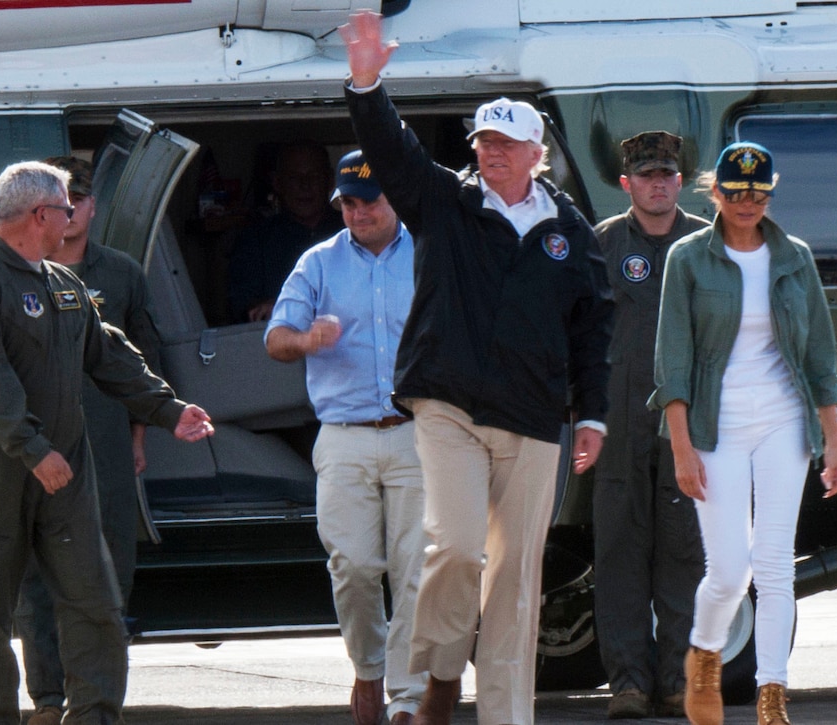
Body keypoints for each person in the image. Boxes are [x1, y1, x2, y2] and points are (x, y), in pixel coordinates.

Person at [339, 11, 614, 725]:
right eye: (482, 141)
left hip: (532, 418)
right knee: (456, 548)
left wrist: (591, 413)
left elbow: (593, 327)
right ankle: (438, 672)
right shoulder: (444, 201)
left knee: (517, 587)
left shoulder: (571, 233)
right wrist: (367, 83)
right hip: (449, 405)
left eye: (505, 142)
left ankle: (505, 718)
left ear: (535, 153)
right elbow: (390, 151)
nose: (490, 152)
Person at [0, 160, 215, 725]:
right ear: (41, 215)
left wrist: (167, 409)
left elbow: (111, 356)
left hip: (65, 475)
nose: (72, 217)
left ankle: (93, 716)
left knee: (94, 603)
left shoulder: (65, 288)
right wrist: (33, 451)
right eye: (66, 207)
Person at [649, 142, 837, 725]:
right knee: (729, 570)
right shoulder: (688, 258)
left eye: (757, 192)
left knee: (775, 563)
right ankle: (705, 654)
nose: (746, 203)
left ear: (770, 192)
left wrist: (831, 442)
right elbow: (673, 365)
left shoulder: (795, 258)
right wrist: (682, 448)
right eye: (735, 192)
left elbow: (820, 357)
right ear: (716, 193)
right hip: (715, 424)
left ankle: (772, 697)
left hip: (785, 420)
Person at [265, 149, 427, 725]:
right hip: (344, 434)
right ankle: (368, 668)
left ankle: (408, 700)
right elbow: (275, 338)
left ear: (396, 198)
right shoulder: (318, 262)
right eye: (348, 203)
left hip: (418, 431)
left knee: (415, 569)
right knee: (353, 565)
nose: (357, 213)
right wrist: (307, 341)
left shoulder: (430, 251)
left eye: (368, 201)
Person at [12, 156, 163, 725]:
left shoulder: (121, 274)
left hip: (105, 445)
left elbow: (144, 362)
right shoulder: (14, 274)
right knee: (40, 578)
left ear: (92, 207)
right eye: (59, 199)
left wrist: (139, 436)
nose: (69, 210)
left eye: (78, 198)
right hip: (39, 446)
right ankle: (49, 699)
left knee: (106, 575)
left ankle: (96, 700)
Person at [591, 131, 710, 720]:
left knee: (684, 556)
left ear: (680, 180)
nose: (657, 184)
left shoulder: (707, 244)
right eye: (645, 176)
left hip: (689, 428)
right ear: (626, 184)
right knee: (618, 554)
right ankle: (629, 685)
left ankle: (677, 680)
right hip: (619, 425)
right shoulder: (605, 245)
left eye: (666, 174)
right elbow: (580, 330)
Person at [228, 141, 343, 322]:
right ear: (277, 183)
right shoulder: (254, 241)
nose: (304, 185)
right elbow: (243, 305)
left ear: (330, 181)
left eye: (313, 176)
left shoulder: (355, 233)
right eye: (293, 177)